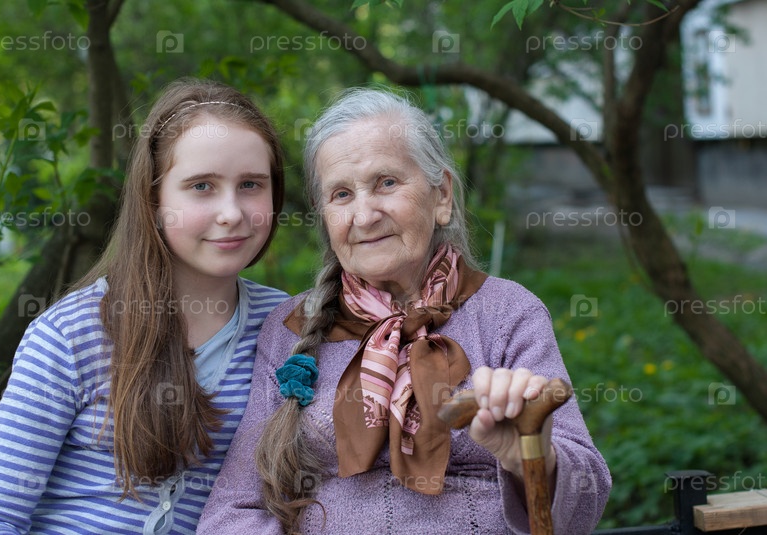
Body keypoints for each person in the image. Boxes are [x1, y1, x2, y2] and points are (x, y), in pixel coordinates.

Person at [197, 88, 611, 534]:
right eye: (341, 194)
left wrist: (529, 455)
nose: (364, 215)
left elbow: (583, 505)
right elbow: (232, 511)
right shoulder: (290, 330)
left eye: (386, 183)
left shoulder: (508, 314)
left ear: (442, 195)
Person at [0, 78, 288, 533]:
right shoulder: (71, 335)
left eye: (251, 184)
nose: (231, 213)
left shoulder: (287, 328)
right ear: (154, 199)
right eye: (202, 186)